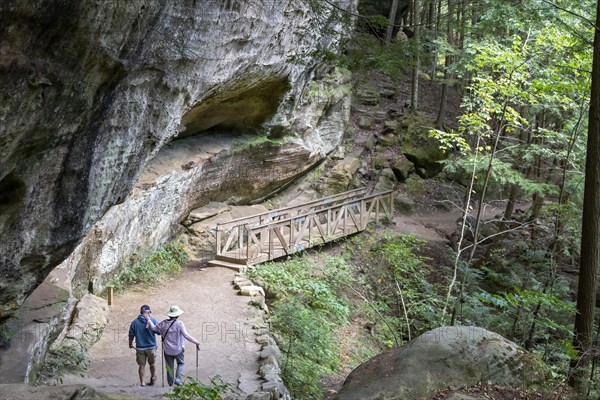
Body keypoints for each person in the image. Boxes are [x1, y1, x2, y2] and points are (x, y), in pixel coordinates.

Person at [146, 305, 200, 386]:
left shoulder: (163, 323)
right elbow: (186, 335)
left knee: (169, 367)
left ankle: (170, 383)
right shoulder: (179, 324)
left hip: (167, 350)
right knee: (181, 363)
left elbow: (153, 328)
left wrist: (149, 320)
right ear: (178, 315)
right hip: (178, 349)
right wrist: (196, 342)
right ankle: (178, 379)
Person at [128, 304, 159, 386]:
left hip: (140, 347)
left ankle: (142, 382)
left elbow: (131, 334)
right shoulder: (152, 320)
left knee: (141, 365)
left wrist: (130, 343)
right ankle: (153, 377)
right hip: (151, 346)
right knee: (152, 364)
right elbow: (158, 332)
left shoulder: (135, 322)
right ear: (149, 312)